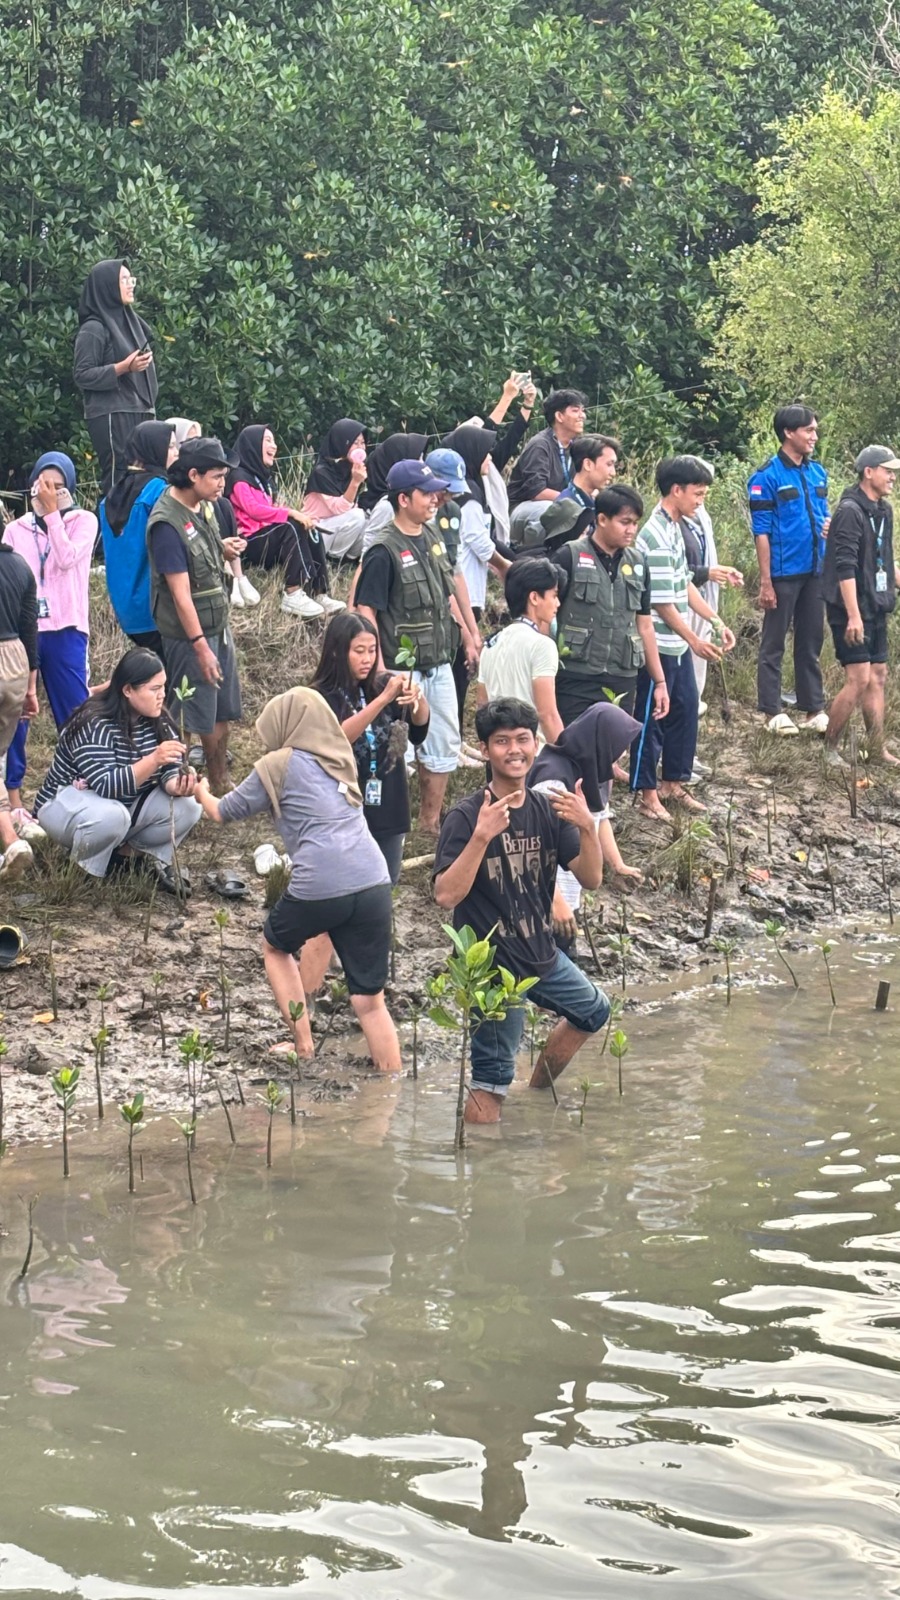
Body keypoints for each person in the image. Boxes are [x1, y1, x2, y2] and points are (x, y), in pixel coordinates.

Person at [195, 688, 401, 1071]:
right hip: (374, 880)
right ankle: (390, 1092)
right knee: (370, 1001)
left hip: (321, 884)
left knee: (275, 946)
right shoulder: (340, 758)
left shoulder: (276, 765)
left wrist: (199, 790)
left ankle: (303, 1044)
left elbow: (223, 812)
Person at [433, 698, 607, 1124]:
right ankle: (479, 1167)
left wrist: (588, 827)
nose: (514, 750)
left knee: (594, 1010)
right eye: (501, 741)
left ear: (536, 744)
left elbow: (591, 878)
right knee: (491, 1082)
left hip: (540, 954)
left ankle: (535, 1095)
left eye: (522, 740)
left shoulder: (548, 809)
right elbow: (445, 896)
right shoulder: (466, 816)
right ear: (484, 749)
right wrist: (480, 838)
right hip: (492, 968)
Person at [355, 459, 464, 834]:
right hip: (402, 667)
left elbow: (446, 594)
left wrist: (467, 632)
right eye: (426, 493)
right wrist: (378, 666)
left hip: (439, 660)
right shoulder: (383, 550)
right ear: (403, 498)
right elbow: (365, 607)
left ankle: (430, 822)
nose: (435, 499)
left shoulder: (431, 537)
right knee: (394, 750)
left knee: (444, 741)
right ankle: (389, 823)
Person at [35, 647, 200, 891]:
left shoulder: (158, 719)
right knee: (113, 816)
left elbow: (169, 768)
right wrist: (154, 759)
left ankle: (125, 860)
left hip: (117, 808)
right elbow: (106, 786)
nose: (161, 695)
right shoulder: (94, 722)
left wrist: (177, 784)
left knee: (189, 807)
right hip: (63, 806)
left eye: (163, 687)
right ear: (127, 690)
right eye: (154, 689)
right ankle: (81, 871)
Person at [630, 458, 735, 821]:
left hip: (676, 645)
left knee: (686, 710)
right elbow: (661, 601)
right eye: (698, 494)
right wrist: (694, 639)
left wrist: (715, 620)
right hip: (657, 644)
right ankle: (647, 793)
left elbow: (684, 582)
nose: (700, 501)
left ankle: (673, 782)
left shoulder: (676, 527)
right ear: (676, 490)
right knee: (653, 718)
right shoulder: (654, 535)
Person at [146, 436, 245, 793]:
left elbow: (198, 555)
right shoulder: (166, 525)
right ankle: (179, 783)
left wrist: (221, 548)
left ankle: (219, 779)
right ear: (193, 475)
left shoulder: (202, 505)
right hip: (190, 635)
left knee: (220, 708)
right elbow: (180, 595)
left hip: (216, 624)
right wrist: (200, 646)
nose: (223, 483)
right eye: (217, 476)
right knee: (186, 712)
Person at [2, 453, 96, 818]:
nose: (51, 492)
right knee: (15, 715)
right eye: (44, 485)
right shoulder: (16, 530)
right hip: (25, 630)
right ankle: (13, 797)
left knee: (75, 712)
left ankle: (81, 783)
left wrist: (53, 514)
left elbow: (67, 558)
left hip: (67, 628)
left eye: (59, 486)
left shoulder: (82, 521)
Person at [311, 612, 430, 882]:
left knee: (385, 885)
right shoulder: (319, 696)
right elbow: (336, 740)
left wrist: (418, 698)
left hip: (389, 802)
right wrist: (382, 700)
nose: (367, 659)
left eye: (372, 651)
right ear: (336, 652)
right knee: (345, 883)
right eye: (359, 651)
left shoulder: (380, 684)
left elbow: (419, 731)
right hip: (343, 807)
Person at [552, 484, 669, 724]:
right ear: (602, 519)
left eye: (635, 523)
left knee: (612, 754)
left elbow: (644, 625)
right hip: (575, 676)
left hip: (621, 677)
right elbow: (547, 615)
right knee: (571, 749)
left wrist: (660, 681)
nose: (631, 530)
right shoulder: (569, 556)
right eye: (625, 522)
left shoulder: (638, 563)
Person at [749, 403, 830, 735]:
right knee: (774, 642)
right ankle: (771, 711)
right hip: (783, 573)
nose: (814, 435)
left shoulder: (817, 472)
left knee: (811, 641)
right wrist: (766, 582)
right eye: (808, 430)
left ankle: (812, 709)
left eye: (815, 429)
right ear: (788, 432)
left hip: (816, 570)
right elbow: (761, 532)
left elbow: (824, 513)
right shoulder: (766, 476)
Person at [824, 445, 900, 766]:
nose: (893, 477)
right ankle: (829, 749)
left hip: (875, 602)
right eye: (888, 470)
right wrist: (853, 615)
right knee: (858, 678)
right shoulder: (850, 511)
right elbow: (844, 567)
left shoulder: (884, 510)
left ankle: (876, 749)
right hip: (850, 608)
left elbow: (884, 557)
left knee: (878, 675)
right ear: (868, 472)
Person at [528, 702, 643, 911]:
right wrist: (556, 901)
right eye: (619, 746)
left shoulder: (591, 770)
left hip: (571, 892)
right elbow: (533, 848)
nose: (623, 754)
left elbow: (600, 816)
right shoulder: (553, 782)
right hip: (546, 901)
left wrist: (618, 865)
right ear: (602, 743)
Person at [227, 426, 341, 620]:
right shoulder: (238, 477)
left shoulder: (264, 479)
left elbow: (274, 507)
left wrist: (301, 518)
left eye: (274, 441)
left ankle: (320, 592)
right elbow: (254, 509)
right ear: (253, 445)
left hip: (268, 537)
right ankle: (293, 592)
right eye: (268, 441)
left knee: (310, 529)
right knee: (290, 526)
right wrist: (290, 512)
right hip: (250, 542)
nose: (274, 446)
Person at [439, 424, 511, 732]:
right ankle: (450, 737)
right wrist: (505, 566)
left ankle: (455, 736)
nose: (489, 458)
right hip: (462, 589)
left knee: (461, 675)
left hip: (472, 591)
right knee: (456, 673)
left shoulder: (469, 491)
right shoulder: (464, 498)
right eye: (485, 453)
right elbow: (479, 541)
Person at [73, 260, 157, 492]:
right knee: (118, 478)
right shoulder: (94, 328)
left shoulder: (133, 324)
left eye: (132, 279)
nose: (131, 285)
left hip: (141, 410)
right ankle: (111, 529)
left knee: (146, 477)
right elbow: (82, 374)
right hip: (113, 414)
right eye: (123, 280)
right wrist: (123, 367)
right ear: (107, 286)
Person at [100, 421, 176, 652]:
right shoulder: (160, 491)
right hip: (155, 609)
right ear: (156, 449)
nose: (177, 453)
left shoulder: (112, 495)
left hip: (126, 609)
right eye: (171, 446)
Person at [168, 419, 258, 610]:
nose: (223, 483)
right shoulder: (170, 510)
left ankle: (237, 574)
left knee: (223, 504)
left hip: (210, 611)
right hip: (195, 609)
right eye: (184, 443)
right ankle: (228, 574)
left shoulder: (202, 499)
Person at [477, 558, 563, 747]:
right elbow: (547, 714)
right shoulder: (542, 645)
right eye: (553, 595)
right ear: (534, 598)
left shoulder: (491, 644)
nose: (557, 603)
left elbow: (482, 705)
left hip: (498, 752)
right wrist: (566, 758)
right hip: (533, 755)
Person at [0, 538, 39, 878]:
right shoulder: (20, 566)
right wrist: (30, 687)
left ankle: (11, 840)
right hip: (15, 660)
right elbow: (31, 630)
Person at [507, 388, 587, 544]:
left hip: (561, 505)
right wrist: (574, 500)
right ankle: (532, 554)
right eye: (576, 411)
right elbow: (537, 491)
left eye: (583, 411)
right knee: (549, 509)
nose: (582, 416)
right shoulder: (540, 445)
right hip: (521, 510)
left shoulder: (577, 445)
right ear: (559, 416)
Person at [538, 434, 619, 550]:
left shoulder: (593, 501)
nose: (613, 473)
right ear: (588, 464)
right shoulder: (566, 509)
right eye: (609, 464)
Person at [303, 418, 368, 561]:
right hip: (315, 529)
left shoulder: (351, 468)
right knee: (357, 516)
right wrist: (355, 482)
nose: (361, 448)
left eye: (363, 443)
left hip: (336, 526)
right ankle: (333, 559)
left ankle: (349, 561)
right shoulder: (322, 472)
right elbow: (340, 508)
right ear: (342, 442)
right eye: (355, 443)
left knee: (366, 520)